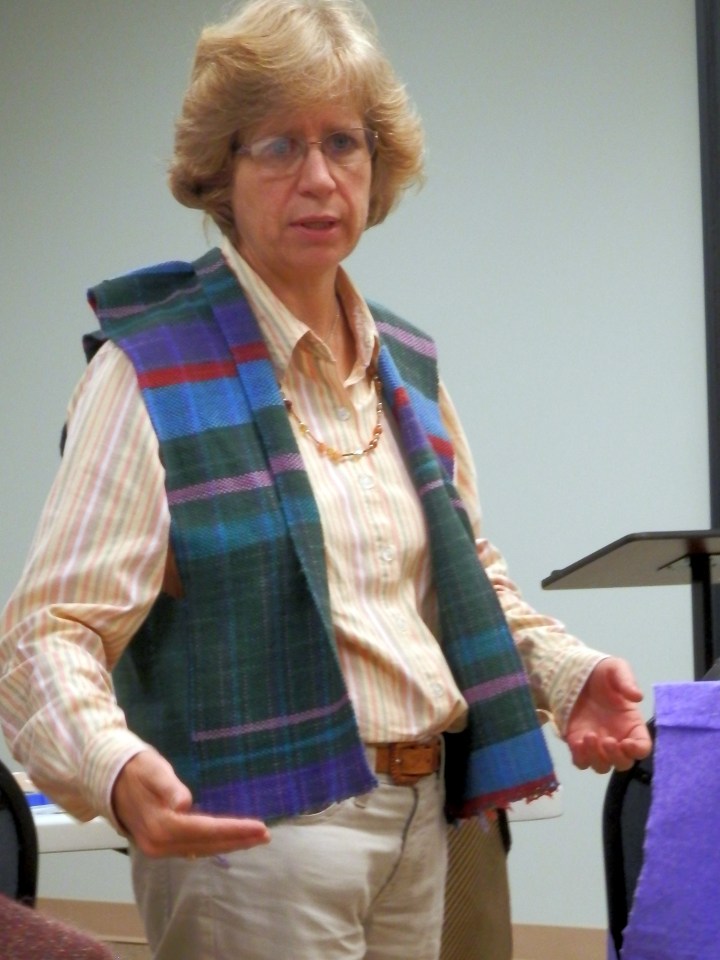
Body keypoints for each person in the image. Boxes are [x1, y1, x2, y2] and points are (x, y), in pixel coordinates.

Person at [0, 1, 651, 958]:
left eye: (342, 142)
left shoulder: (409, 364)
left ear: (376, 165)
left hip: (427, 819)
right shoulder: (149, 366)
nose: (317, 177)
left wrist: (568, 674)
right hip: (257, 837)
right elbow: (49, 631)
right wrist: (113, 766)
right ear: (220, 172)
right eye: (277, 145)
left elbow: (462, 587)